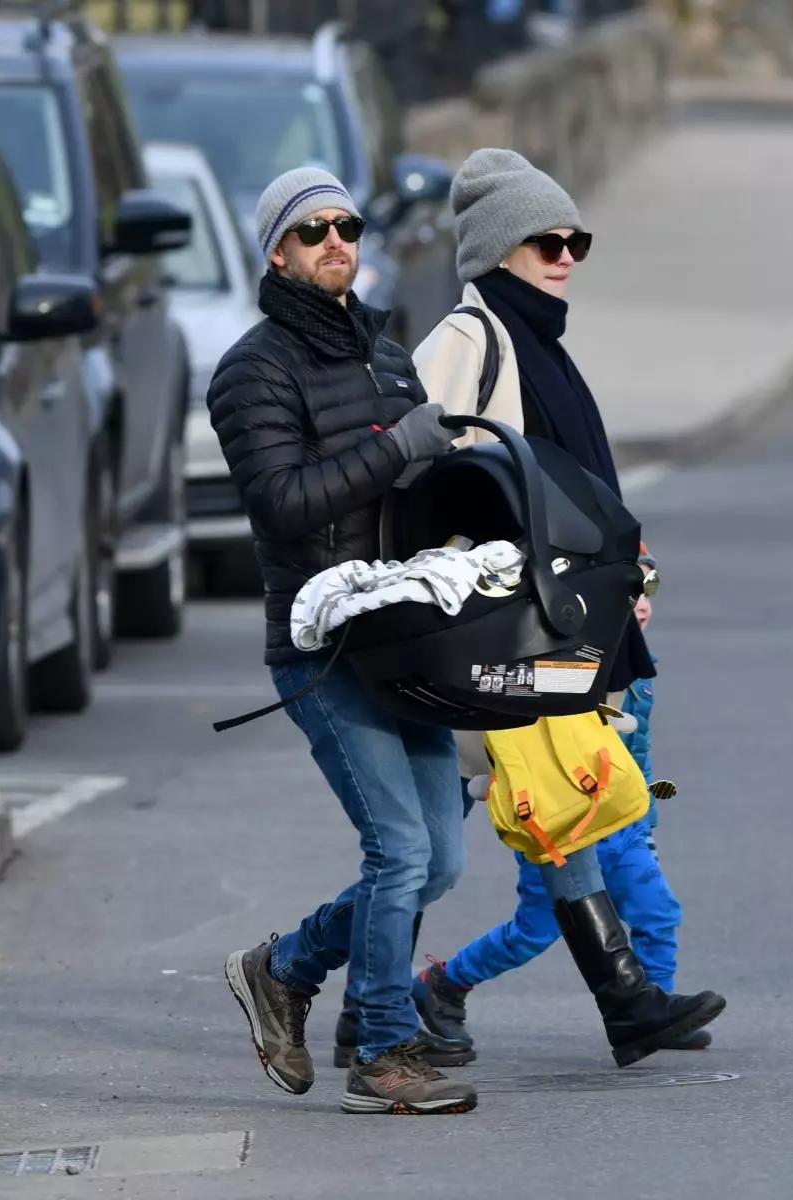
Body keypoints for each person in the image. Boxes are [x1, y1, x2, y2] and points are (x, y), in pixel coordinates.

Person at [402, 148, 725, 1066]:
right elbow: (421, 478)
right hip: (495, 640)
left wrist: (627, 577)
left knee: (459, 845)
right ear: (499, 249)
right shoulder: (471, 340)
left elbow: (577, 498)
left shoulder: (541, 347)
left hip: (554, 636)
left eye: (576, 238)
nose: (567, 254)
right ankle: (336, 983)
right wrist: (465, 586)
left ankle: (625, 1004)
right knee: (422, 854)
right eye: (548, 239)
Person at [207, 166, 478, 1116]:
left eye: (347, 225)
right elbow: (281, 505)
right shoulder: (251, 369)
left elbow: (411, 494)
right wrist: (399, 448)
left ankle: (282, 967)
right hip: (321, 646)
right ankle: (383, 1049)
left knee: (440, 859)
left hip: (408, 641)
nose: (336, 241)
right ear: (278, 252)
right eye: (312, 229)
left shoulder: (387, 354)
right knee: (399, 847)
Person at [412, 550, 713, 1051]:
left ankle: (655, 1005)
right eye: (627, 590)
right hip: (562, 815)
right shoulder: (573, 663)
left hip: (623, 819)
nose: (638, 602)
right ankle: (445, 982)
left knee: (658, 912)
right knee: (534, 930)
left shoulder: (636, 667)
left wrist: (646, 817)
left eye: (648, 588)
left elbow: (638, 756)